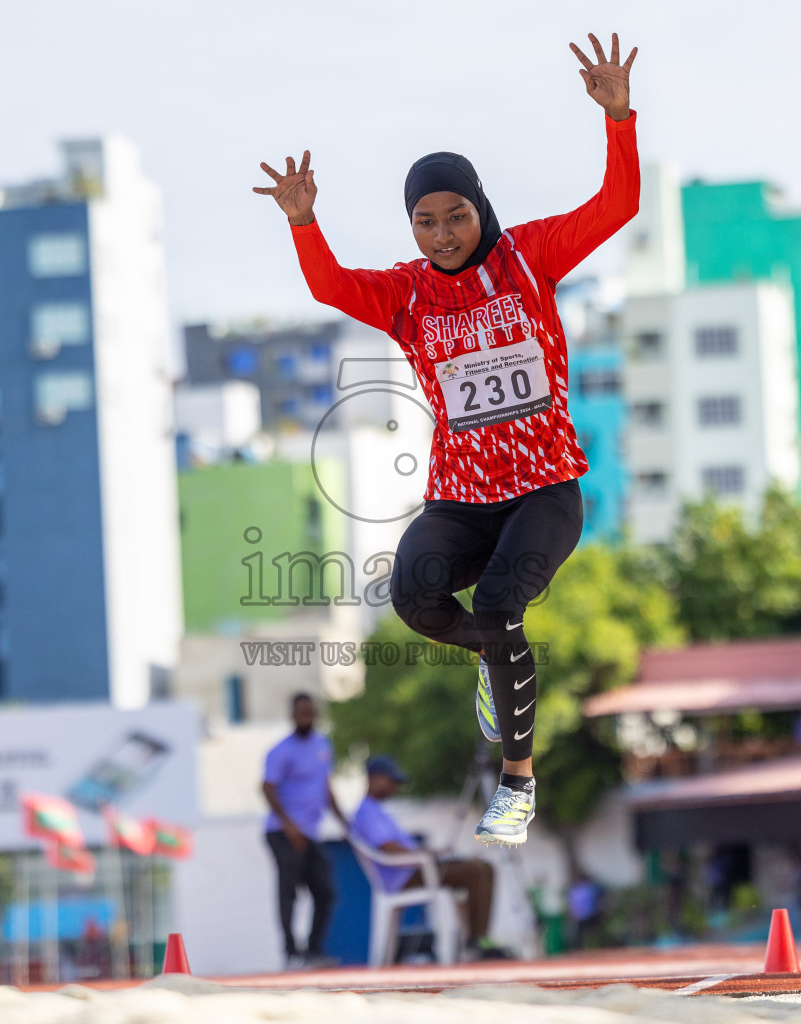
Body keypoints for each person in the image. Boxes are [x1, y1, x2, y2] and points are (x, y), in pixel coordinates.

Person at [255, 32, 640, 846]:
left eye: (455, 215)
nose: (441, 234)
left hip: (545, 490)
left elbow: (617, 206)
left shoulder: (529, 257)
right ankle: (493, 657)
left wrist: (618, 119)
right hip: (462, 499)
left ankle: (518, 784)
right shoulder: (405, 294)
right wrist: (304, 221)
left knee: (502, 602)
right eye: (424, 222)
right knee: (415, 596)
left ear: (480, 208)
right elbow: (328, 283)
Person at [349, 754, 511, 960]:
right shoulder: (366, 812)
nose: (395, 788)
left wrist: (433, 854)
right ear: (375, 778)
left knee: (482, 866)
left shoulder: (377, 811)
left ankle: (477, 940)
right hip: (406, 876)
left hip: (415, 868)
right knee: (477, 869)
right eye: (392, 781)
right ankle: (476, 943)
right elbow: (387, 847)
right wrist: (424, 855)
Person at [261, 692, 348, 969]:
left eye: (310, 712)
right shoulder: (280, 751)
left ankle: (313, 950)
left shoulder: (323, 745)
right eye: (301, 713)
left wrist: (345, 821)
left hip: (310, 832)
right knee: (289, 891)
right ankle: (290, 952)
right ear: (292, 714)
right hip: (282, 831)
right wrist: (289, 824)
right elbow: (267, 787)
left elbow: (326, 787)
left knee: (325, 890)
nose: (305, 718)